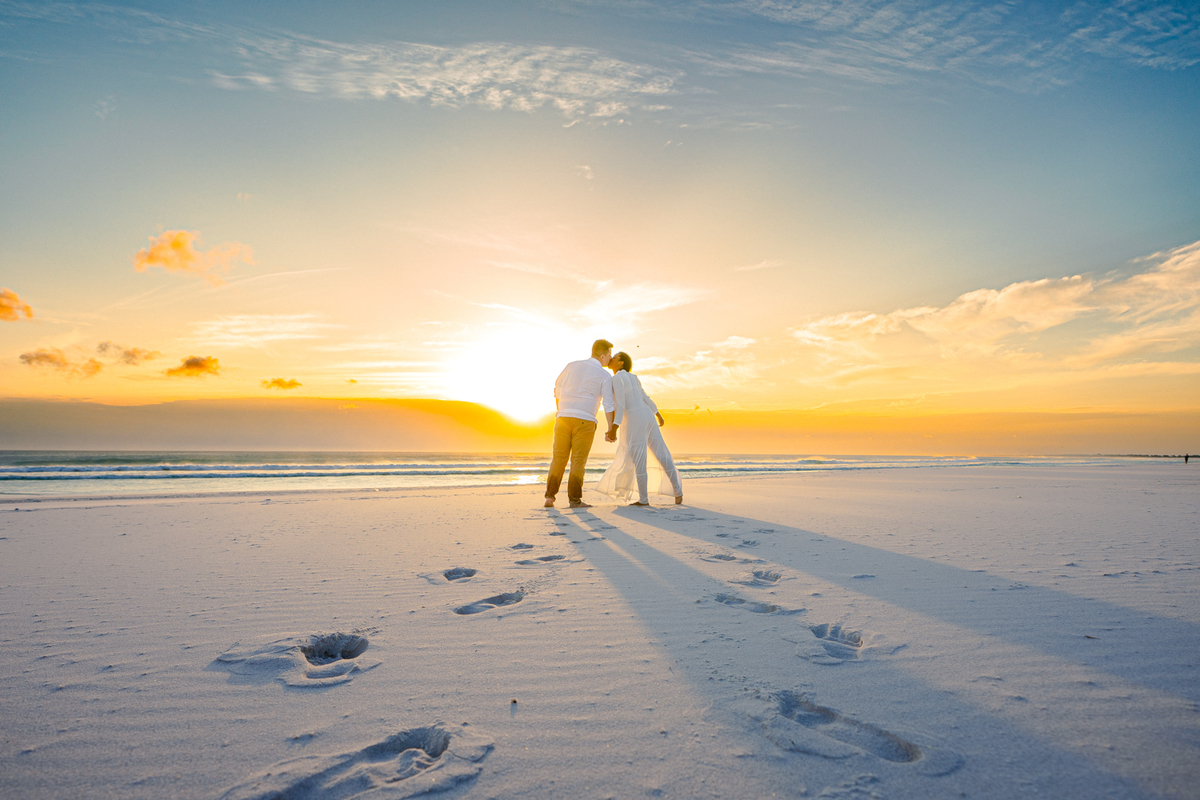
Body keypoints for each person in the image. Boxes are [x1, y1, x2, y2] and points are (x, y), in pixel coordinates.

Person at [596, 351, 683, 506]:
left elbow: (621, 404)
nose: (611, 359)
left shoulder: (617, 378)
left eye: (614, 357)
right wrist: (657, 414)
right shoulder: (634, 377)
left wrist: (614, 427)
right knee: (661, 453)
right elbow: (645, 397)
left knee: (639, 458)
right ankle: (678, 491)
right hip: (648, 416)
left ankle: (643, 499)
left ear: (621, 362)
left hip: (635, 418)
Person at [545, 339, 614, 509]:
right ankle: (574, 500)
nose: (610, 359)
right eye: (609, 355)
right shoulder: (605, 376)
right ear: (603, 355)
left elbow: (557, 389)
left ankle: (550, 497)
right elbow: (609, 404)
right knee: (578, 461)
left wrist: (561, 411)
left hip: (563, 418)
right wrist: (611, 428)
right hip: (585, 420)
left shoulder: (571, 366)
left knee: (559, 459)